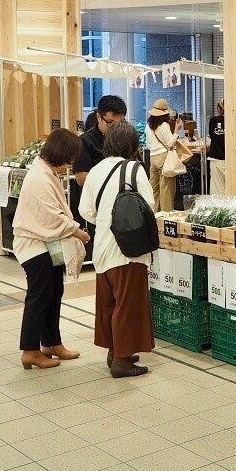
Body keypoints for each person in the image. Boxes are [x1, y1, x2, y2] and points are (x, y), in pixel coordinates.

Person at [78, 120, 155, 378]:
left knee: (110, 303)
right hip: (128, 248)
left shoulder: (96, 170)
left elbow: (85, 210)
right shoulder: (134, 169)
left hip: (102, 248)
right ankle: (121, 361)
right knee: (128, 304)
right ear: (132, 144)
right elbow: (149, 206)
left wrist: (105, 218)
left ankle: (116, 350)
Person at [13, 129, 90, 370]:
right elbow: (51, 217)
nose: (72, 162)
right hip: (34, 246)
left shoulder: (46, 172)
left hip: (46, 245)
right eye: (71, 157)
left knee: (53, 294)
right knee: (39, 298)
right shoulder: (39, 178)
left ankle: (52, 344)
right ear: (61, 154)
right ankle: (30, 350)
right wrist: (77, 231)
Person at [73, 95, 127, 188]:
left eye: (119, 123)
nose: (115, 128)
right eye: (110, 122)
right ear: (98, 116)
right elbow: (81, 179)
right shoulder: (84, 141)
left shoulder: (126, 138)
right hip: (96, 194)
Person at [145, 98, 180, 212]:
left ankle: (154, 213)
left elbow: (148, 143)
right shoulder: (164, 125)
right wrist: (176, 131)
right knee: (166, 188)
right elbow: (170, 142)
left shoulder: (148, 125)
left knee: (154, 187)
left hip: (152, 157)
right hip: (163, 157)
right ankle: (166, 214)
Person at [208, 99, 226, 195]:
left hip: (216, 157)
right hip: (232, 159)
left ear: (219, 108)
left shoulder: (214, 120)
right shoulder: (235, 120)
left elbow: (211, 136)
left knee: (217, 187)